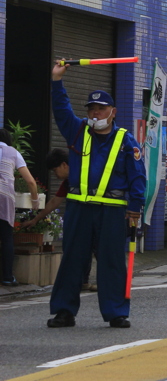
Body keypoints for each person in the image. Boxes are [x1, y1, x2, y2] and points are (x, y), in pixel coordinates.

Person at [47, 62, 146, 329]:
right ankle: (64, 311)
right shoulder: (77, 130)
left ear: (112, 112)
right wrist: (57, 81)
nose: (95, 112)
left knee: (112, 261)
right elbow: (60, 109)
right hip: (79, 207)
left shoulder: (126, 141)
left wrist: (135, 209)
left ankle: (116, 312)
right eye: (91, 108)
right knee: (72, 260)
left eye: (101, 109)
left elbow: (138, 177)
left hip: (113, 211)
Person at [22, 149, 95, 291]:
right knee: (85, 249)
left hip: (97, 218)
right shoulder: (69, 182)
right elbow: (55, 201)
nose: (55, 175)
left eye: (55, 170)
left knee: (98, 249)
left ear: (64, 165)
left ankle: (112, 285)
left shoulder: (86, 173)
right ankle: (83, 281)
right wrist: (35, 219)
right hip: (82, 220)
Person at [0, 128, 39, 286]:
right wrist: (35, 202)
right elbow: (30, 181)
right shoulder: (13, 152)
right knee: (7, 237)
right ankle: (8, 278)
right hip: (5, 197)